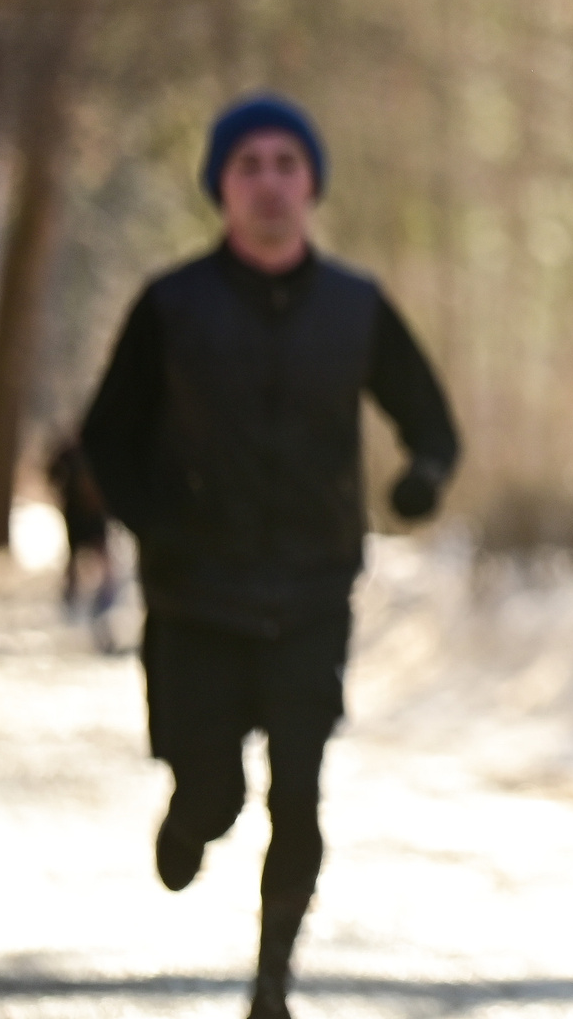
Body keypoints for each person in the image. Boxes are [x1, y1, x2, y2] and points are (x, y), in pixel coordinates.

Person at [78, 93, 459, 1019]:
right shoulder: (172, 305)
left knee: (299, 794)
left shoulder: (355, 306)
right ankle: (192, 816)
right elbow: (105, 438)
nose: (270, 183)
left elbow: (430, 421)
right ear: (221, 187)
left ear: (312, 184)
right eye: (248, 165)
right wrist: (158, 522)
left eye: (288, 164)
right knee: (213, 793)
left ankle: (272, 985)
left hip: (310, 593)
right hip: (195, 598)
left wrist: (421, 477)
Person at [45, 433, 122, 650]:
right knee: (75, 557)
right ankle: (70, 597)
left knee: (101, 557)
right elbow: (51, 474)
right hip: (77, 515)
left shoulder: (97, 451)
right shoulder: (71, 452)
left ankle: (104, 596)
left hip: (94, 516)